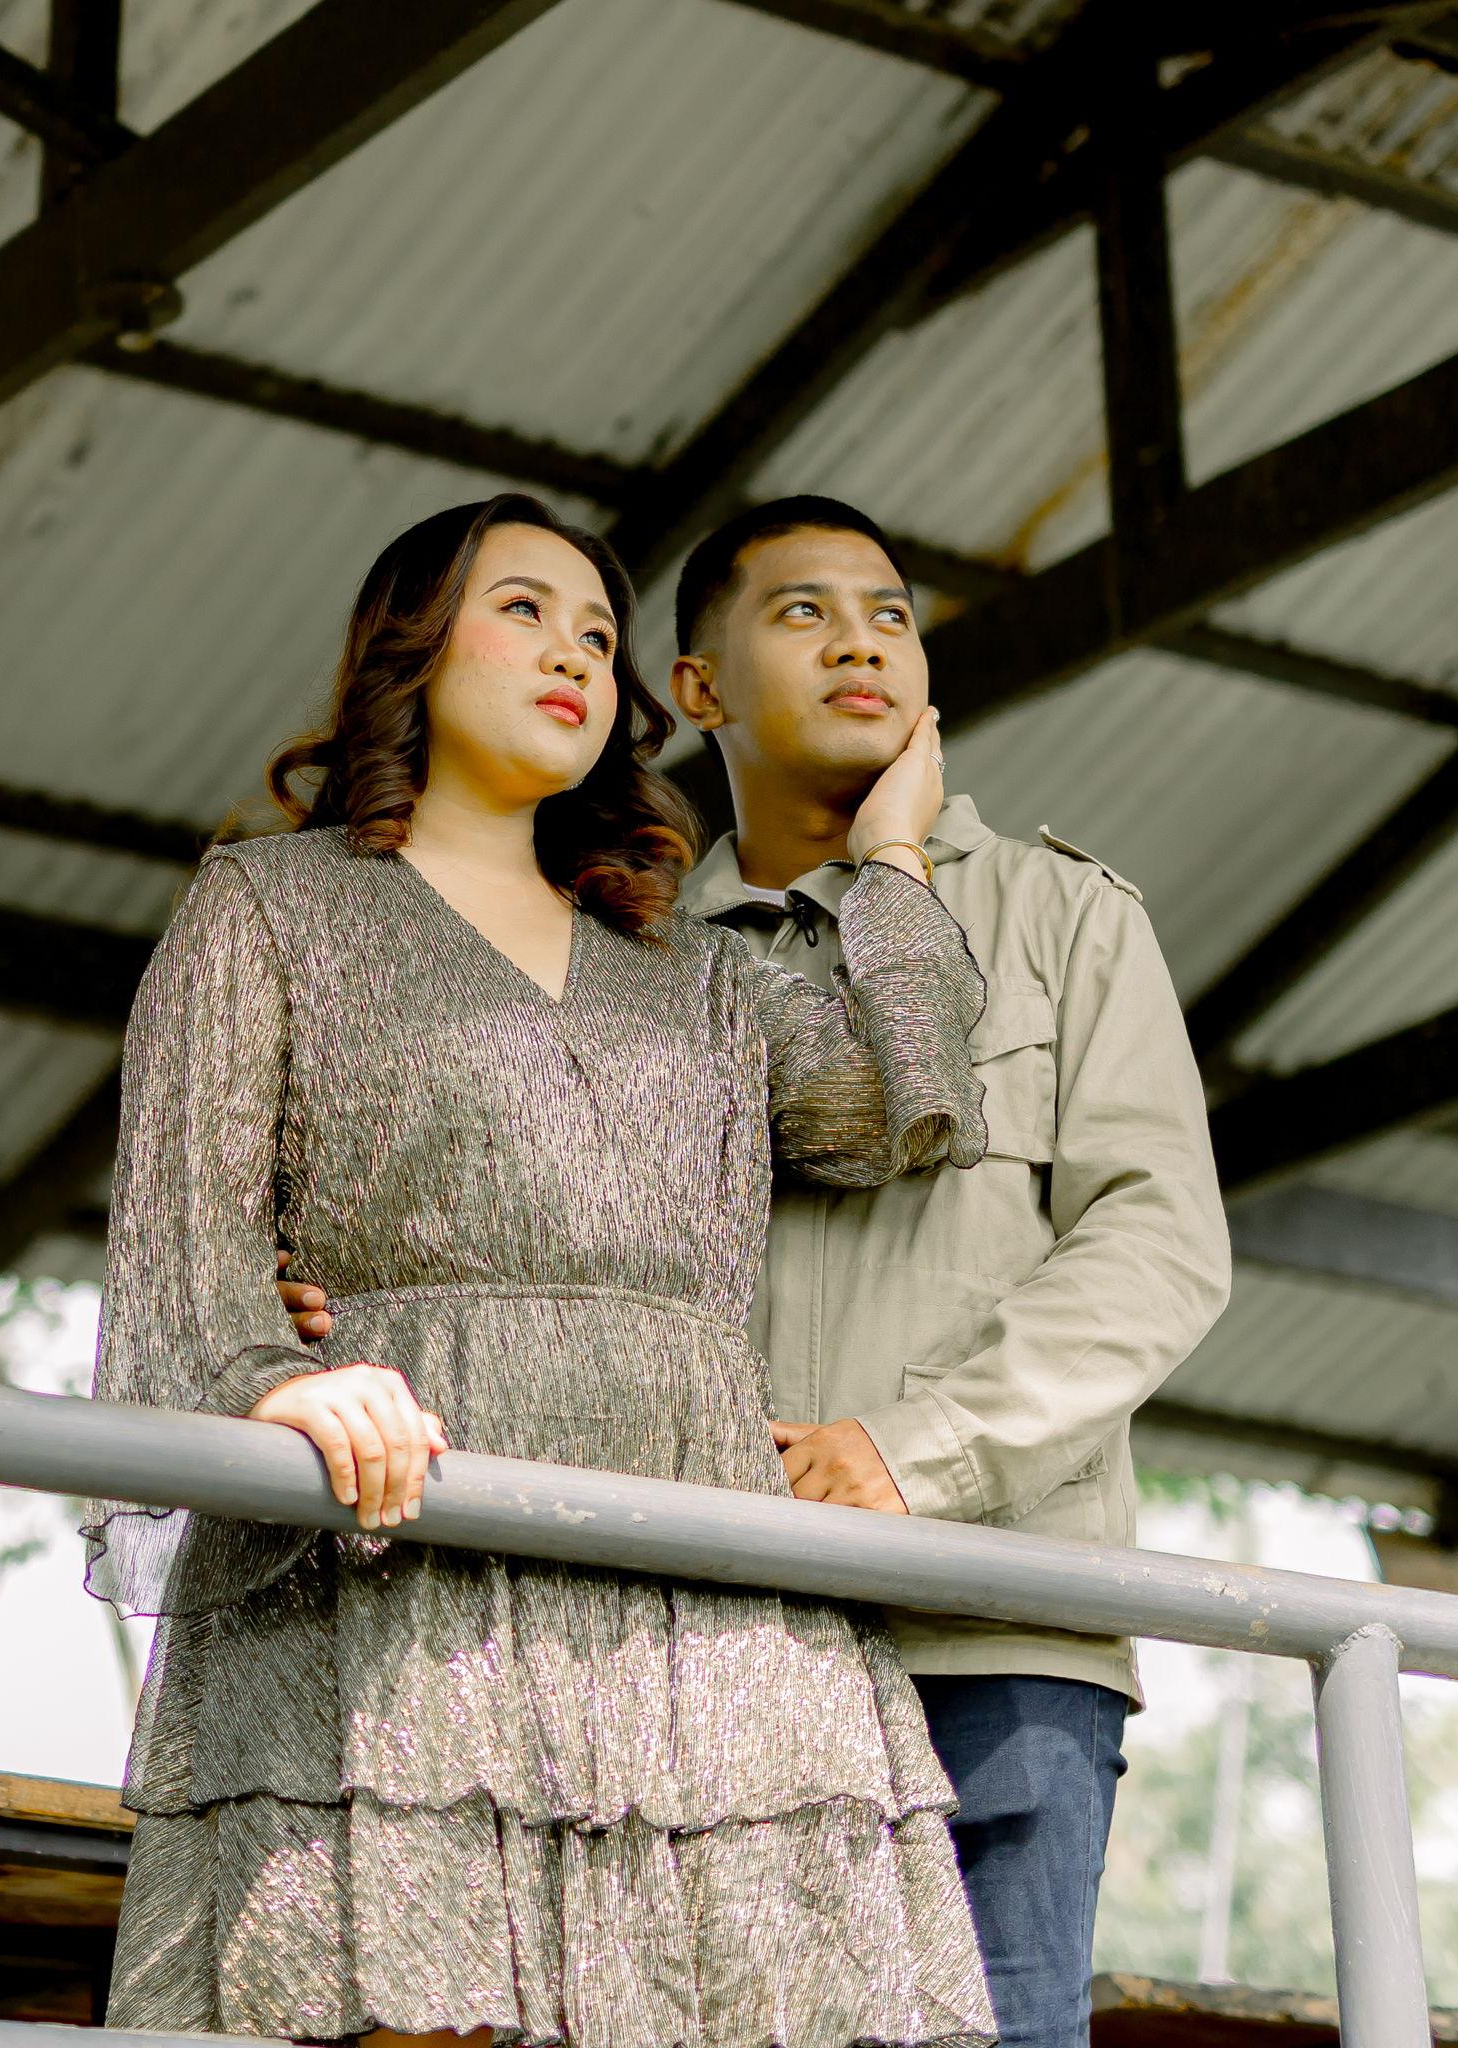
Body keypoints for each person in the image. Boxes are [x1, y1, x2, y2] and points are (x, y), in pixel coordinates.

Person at [283, 496, 1231, 2046]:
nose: (862, 641)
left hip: (986, 1633)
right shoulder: (623, 946)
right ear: (697, 688)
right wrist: (319, 1308)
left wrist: (912, 1456)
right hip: (692, 1643)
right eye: (804, 613)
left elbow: (1159, 1248)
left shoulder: (1062, 917)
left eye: (890, 616)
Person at [86, 492, 997, 2048]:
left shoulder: (698, 970)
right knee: (399, 2008)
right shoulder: (271, 903)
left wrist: (893, 854)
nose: (576, 653)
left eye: (597, 633)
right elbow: (184, 1230)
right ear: (413, 647)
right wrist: (280, 1383)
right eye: (524, 611)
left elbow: (901, 1104)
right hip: (403, 1557)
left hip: (699, 1576)